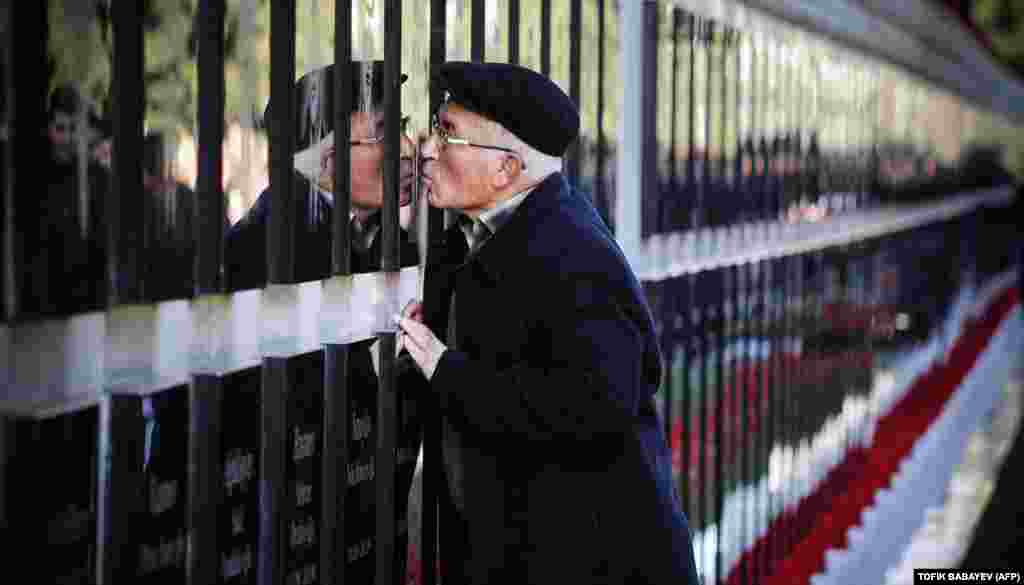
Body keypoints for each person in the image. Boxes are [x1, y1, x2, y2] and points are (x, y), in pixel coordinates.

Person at [396, 62, 700, 584]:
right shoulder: (463, 242)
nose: (427, 148)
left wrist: (448, 369)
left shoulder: (575, 253)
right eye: (434, 126)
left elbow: (594, 406)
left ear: (506, 170)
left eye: (448, 135)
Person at [224, 61, 423, 583]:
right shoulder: (261, 252)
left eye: (401, 128)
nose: (408, 150)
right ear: (330, 161)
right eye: (383, 134)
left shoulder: (394, 246)